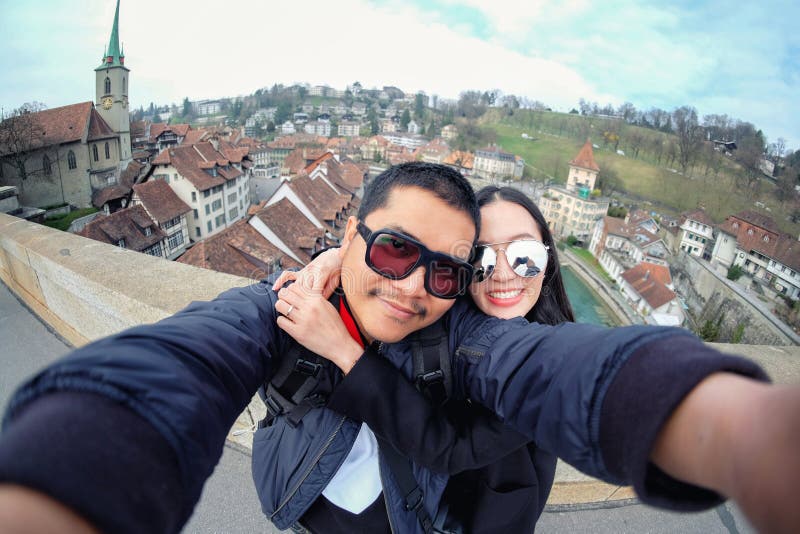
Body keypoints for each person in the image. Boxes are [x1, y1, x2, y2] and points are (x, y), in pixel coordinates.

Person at [0, 162, 797, 534]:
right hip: (309, 504)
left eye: (448, 271)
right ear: (347, 237)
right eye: (391, 250)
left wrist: (734, 429)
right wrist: (65, 474)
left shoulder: (469, 332)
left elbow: (554, 370)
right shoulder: (296, 297)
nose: (417, 285)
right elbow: (191, 354)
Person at [271, 184, 575, 531]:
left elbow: (446, 446)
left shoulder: (548, 358)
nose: (504, 273)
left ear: (548, 257)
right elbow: (394, 253)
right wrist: (339, 257)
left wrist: (344, 349)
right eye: (480, 258)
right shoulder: (438, 313)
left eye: (526, 255)